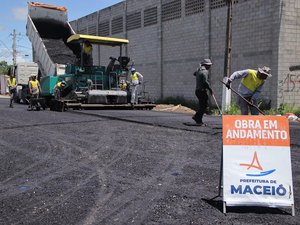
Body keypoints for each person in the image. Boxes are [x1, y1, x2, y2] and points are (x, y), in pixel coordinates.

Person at [192, 58, 213, 126]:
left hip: (197, 91)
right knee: (204, 106)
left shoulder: (199, 70)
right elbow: (205, 82)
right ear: (206, 65)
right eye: (209, 65)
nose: (210, 67)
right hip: (202, 91)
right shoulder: (205, 71)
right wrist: (210, 89)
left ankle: (196, 117)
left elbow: (194, 74)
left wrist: (199, 68)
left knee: (202, 106)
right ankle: (198, 120)